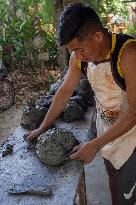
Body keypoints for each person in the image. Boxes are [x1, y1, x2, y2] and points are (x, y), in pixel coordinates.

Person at [25, 3, 136, 205]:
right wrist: (43, 127)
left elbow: (134, 112)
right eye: (73, 51)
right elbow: (65, 91)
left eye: (79, 49)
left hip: (132, 138)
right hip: (107, 130)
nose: (78, 55)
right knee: (112, 177)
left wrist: (93, 145)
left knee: (127, 192)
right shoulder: (79, 58)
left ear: (97, 36)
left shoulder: (128, 55)